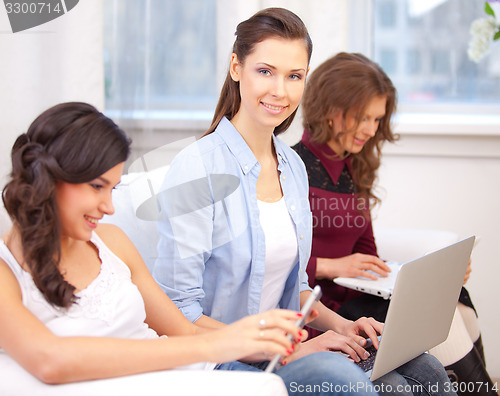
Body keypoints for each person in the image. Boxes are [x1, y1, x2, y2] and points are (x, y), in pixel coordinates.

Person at [153, 8, 457, 396]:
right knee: (357, 383)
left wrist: (342, 326)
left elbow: (295, 288)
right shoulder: (197, 168)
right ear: (235, 67)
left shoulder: (292, 167)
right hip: (220, 360)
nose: (280, 91)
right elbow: (179, 314)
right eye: (265, 71)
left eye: (294, 76)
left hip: (279, 348)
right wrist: (290, 348)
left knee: (424, 369)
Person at [0, 102, 343, 396]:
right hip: (172, 380)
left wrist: (261, 338)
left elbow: (184, 329)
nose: (108, 206)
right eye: (96, 187)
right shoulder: (6, 271)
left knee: (339, 375)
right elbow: (49, 360)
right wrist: (219, 345)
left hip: (195, 375)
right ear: (51, 177)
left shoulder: (111, 242)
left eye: (113, 189)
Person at [292, 52, 497, 396]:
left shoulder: (351, 167)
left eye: (377, 119)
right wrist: (331, 265)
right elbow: (276, 266)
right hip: (327, 307)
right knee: (443, 315)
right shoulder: (293, 167)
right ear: (330, 108)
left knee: (453, 296)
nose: (371, 130)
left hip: (357, 299)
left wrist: (412, 275)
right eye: (363, 118)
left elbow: (367, 250)